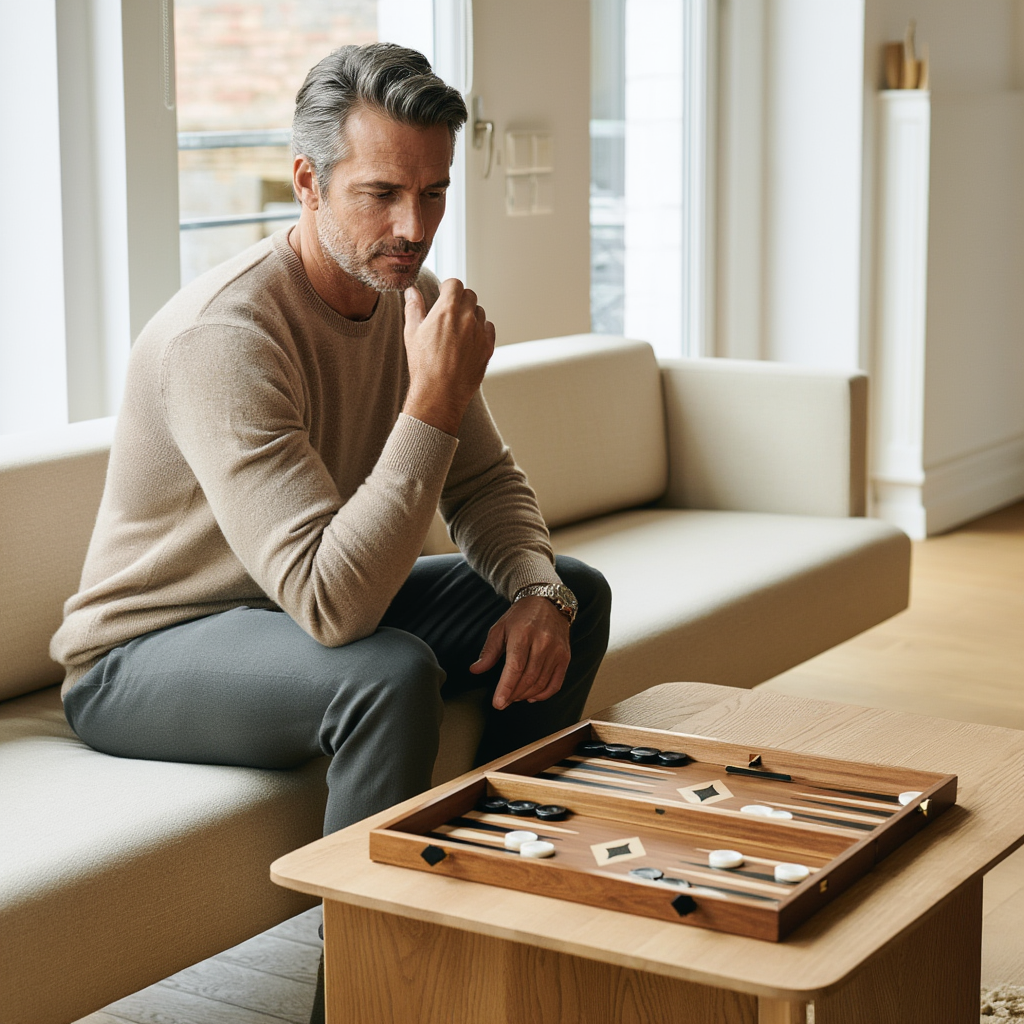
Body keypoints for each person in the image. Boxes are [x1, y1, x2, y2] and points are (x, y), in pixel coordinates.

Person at [51, 42, 611, 845]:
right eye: (380, 193)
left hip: (291, 611)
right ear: (308, 182)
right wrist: (432, 404)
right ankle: (365, 971)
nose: (413, 227)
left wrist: (535, 591)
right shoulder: (226, 339)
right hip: (147, 653)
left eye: (433, 192)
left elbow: (484, 484)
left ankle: (503, 876)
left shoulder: (404, 296)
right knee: (386, 677)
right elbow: (332, 605)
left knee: (571, 593)